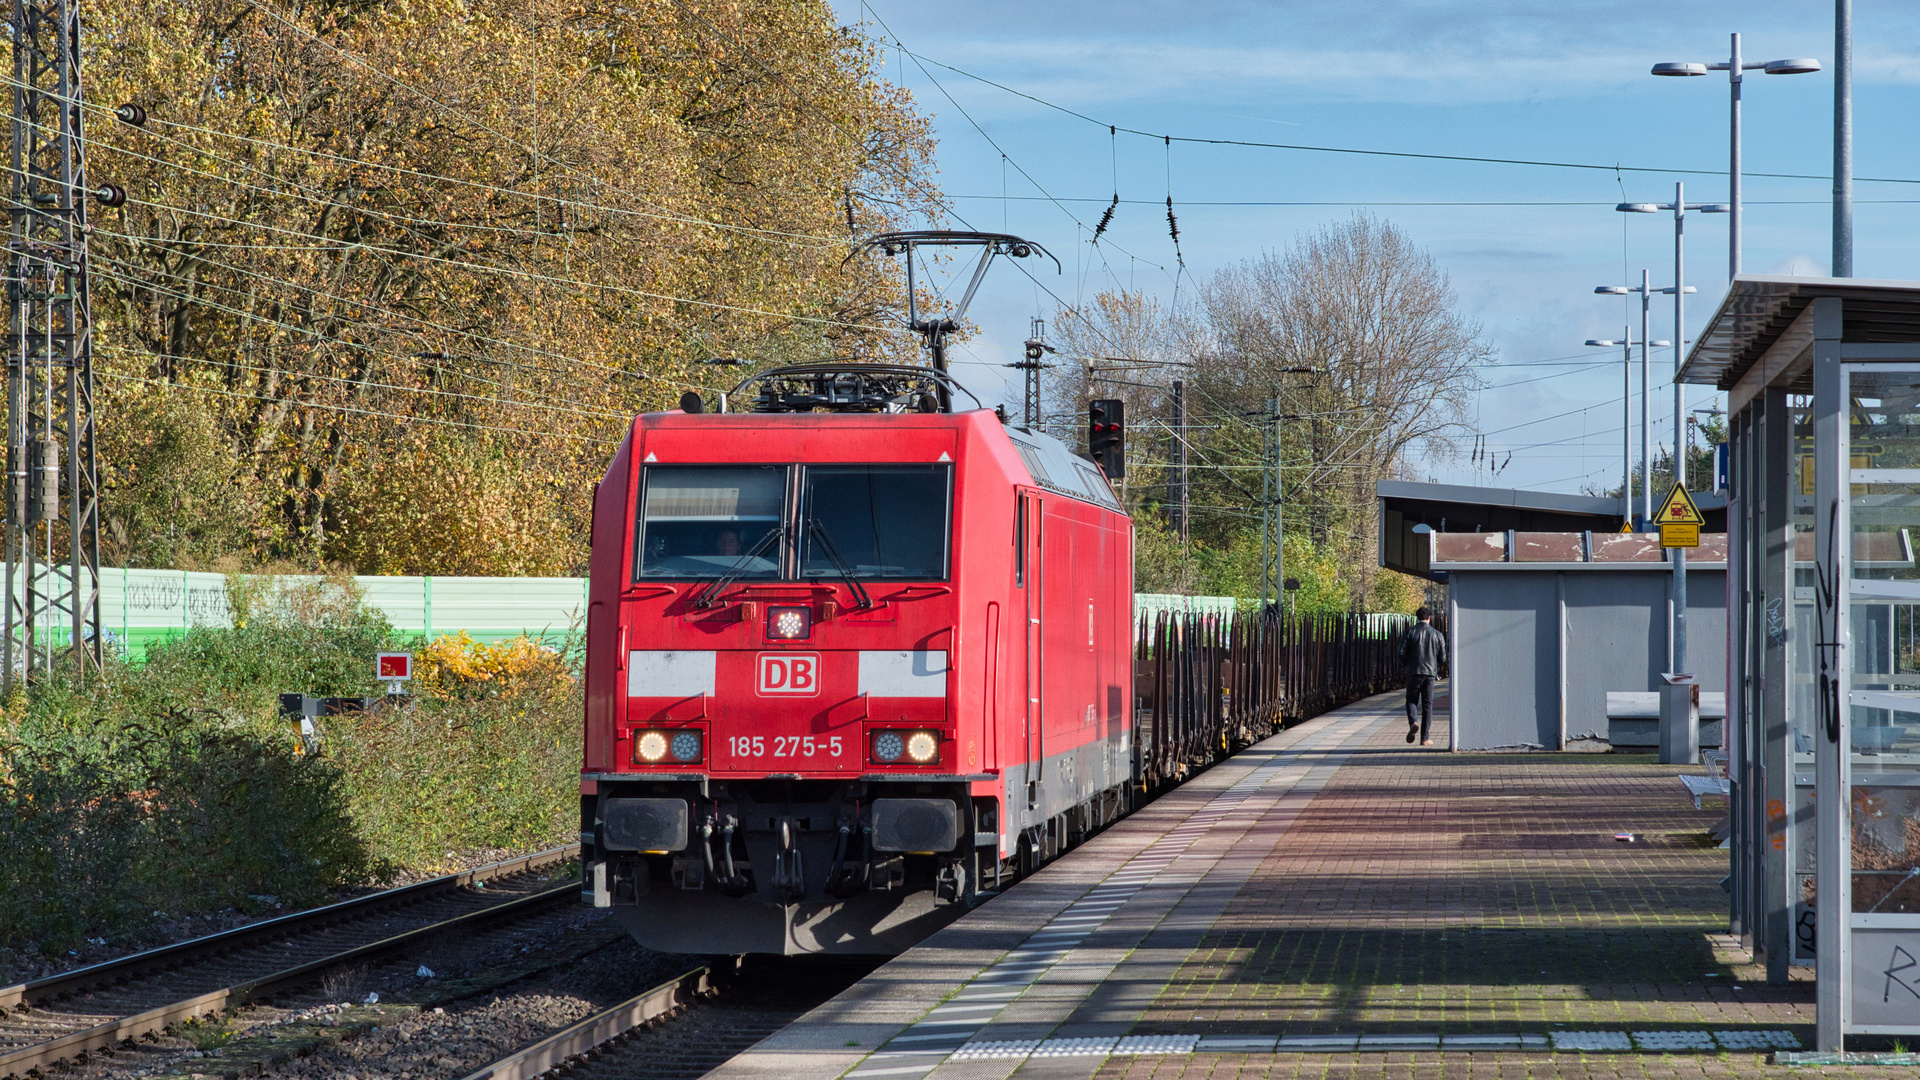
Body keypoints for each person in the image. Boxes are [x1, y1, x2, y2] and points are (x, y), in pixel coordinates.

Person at [1399, 606, 1447, 746]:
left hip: (1413, 672)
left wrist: (1407, 665)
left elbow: (1401, 653)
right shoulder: (1437, 634)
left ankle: (1413, 721)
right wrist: (1434, 665)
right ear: (1429, 617)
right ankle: (1424, 738)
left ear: (1417, 617)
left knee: (1411, 700)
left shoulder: (1409, 632)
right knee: (1427, 705)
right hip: (1430, 674)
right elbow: (1443, 658)